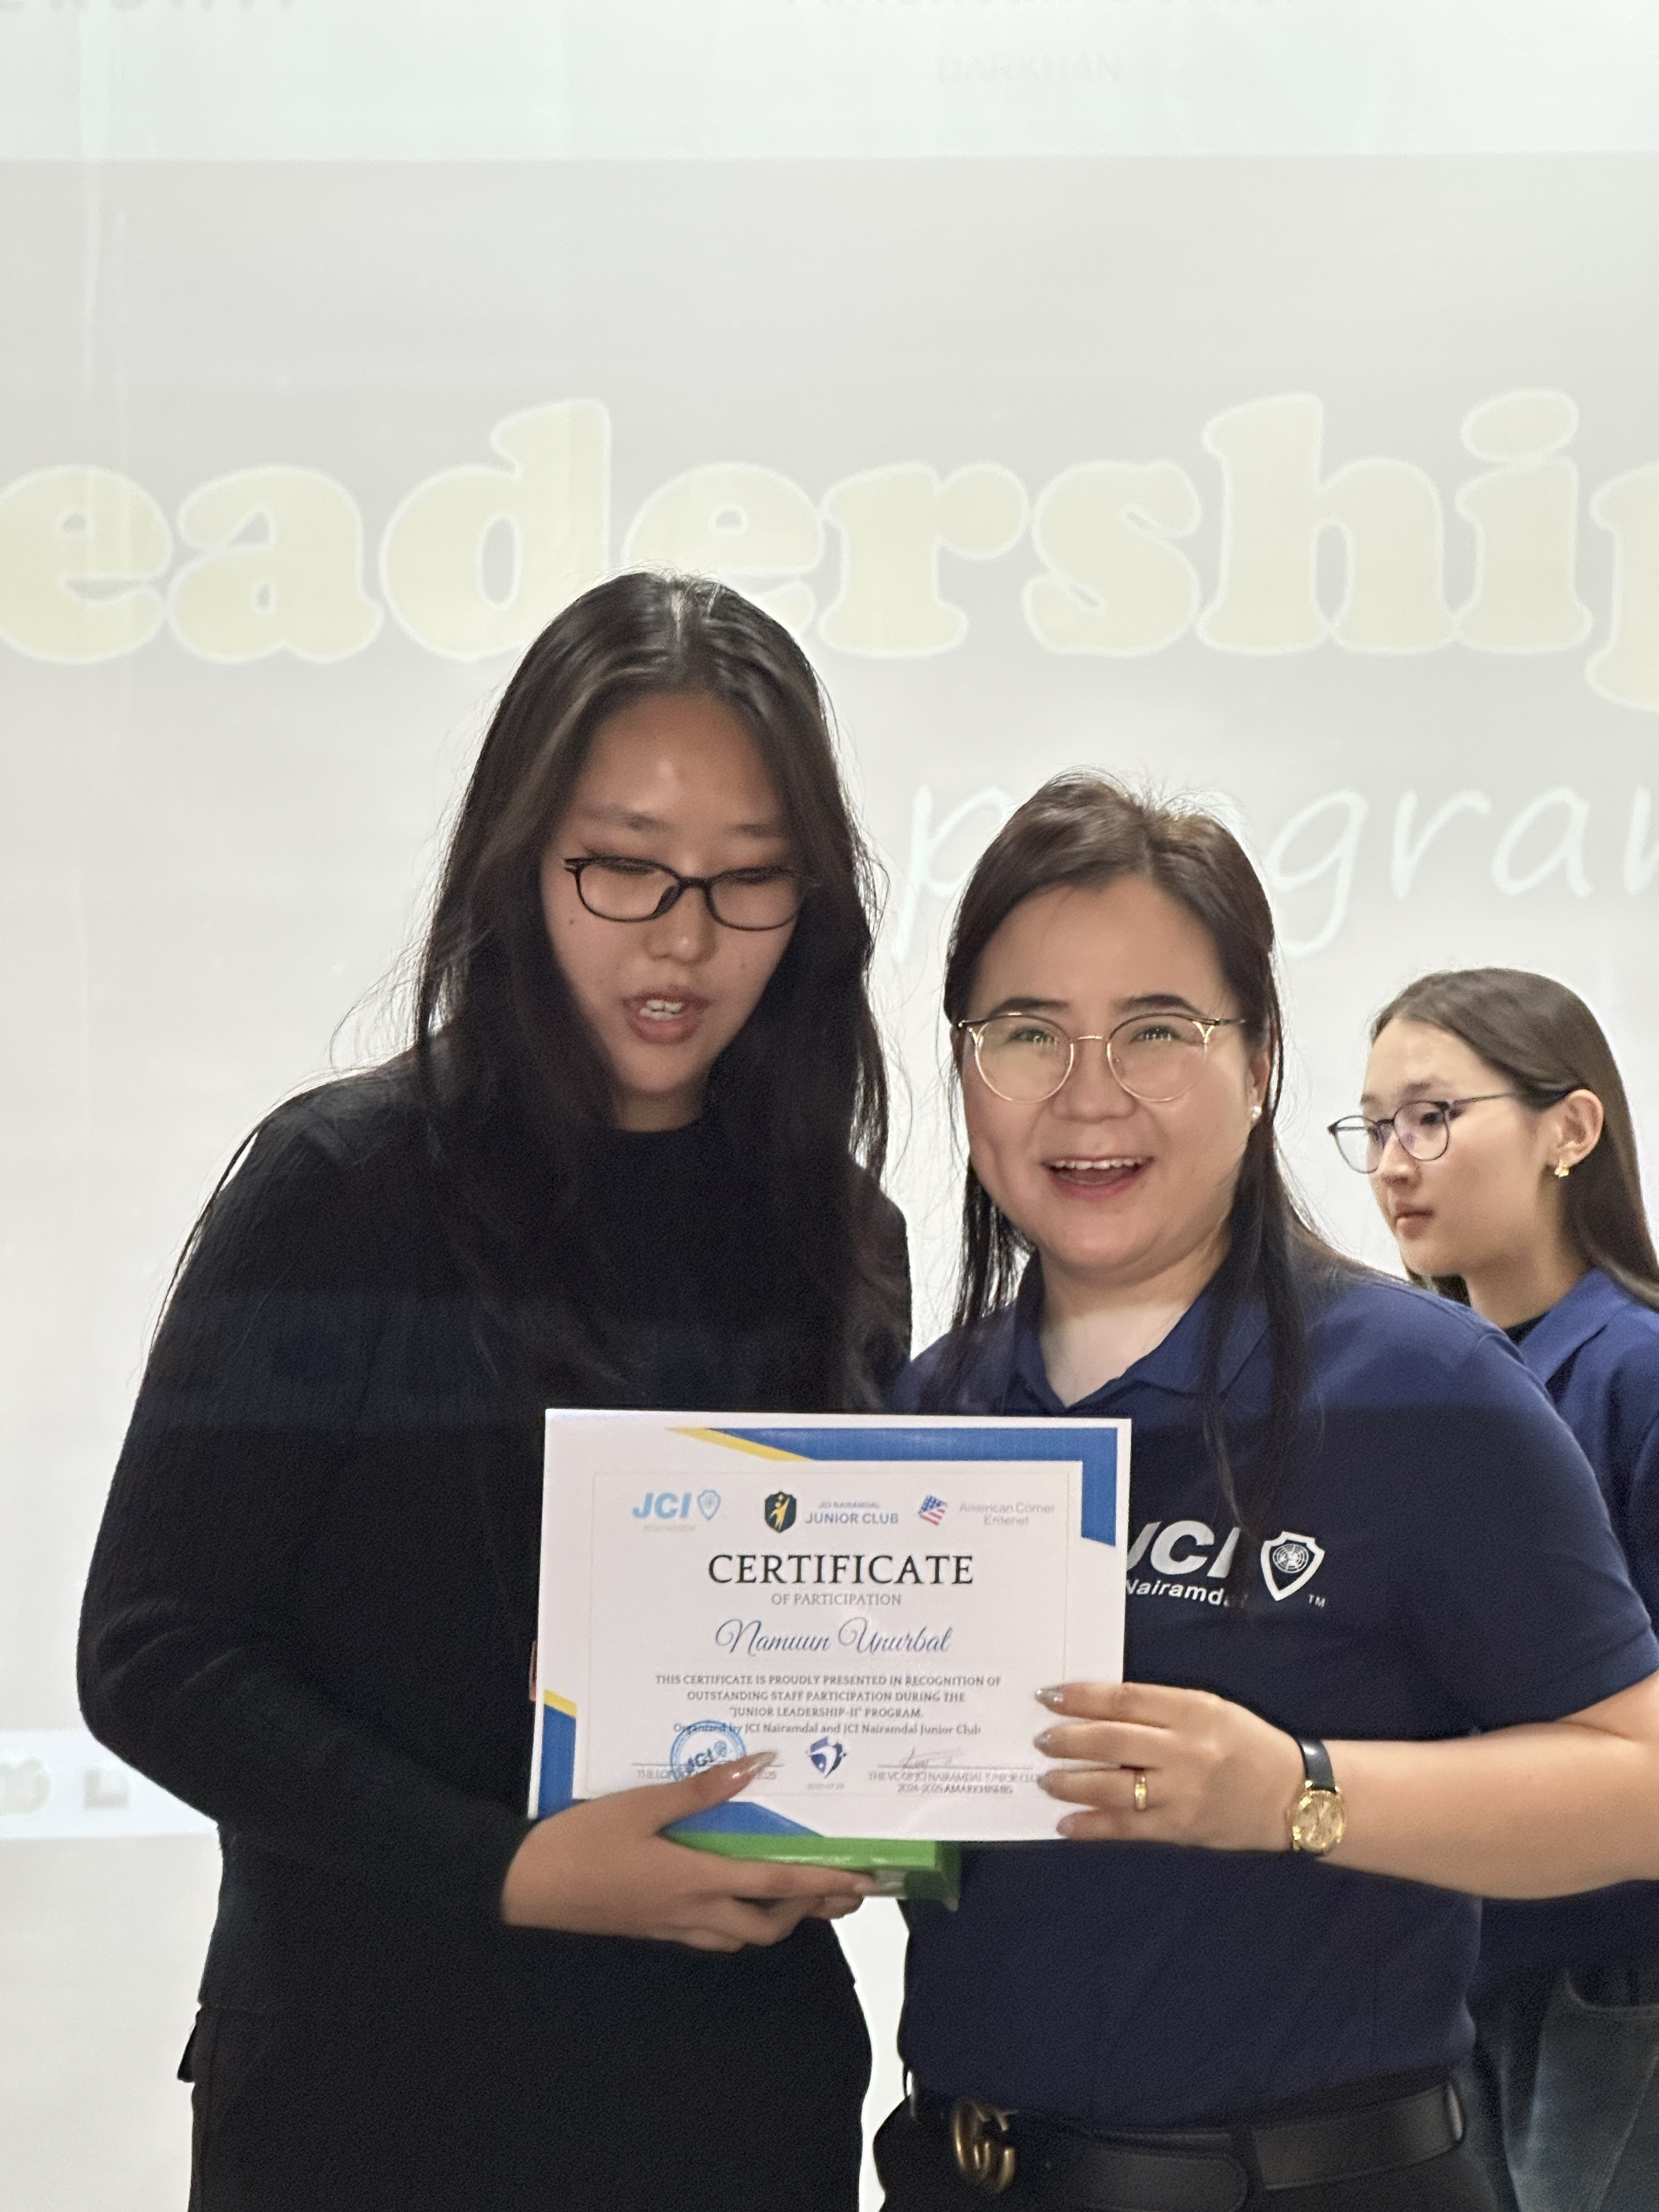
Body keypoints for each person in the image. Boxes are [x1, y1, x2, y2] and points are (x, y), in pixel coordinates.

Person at [78, 573, 911, 2212]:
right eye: (623, 865)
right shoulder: (344, 1188)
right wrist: (514, 1869)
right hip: (376, 2090)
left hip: (733, 2093)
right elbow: (155, 1653)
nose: (684, 936)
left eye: (750, 878)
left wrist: (878, 1792)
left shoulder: (839, 1234)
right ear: (520, 857)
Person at [876, 772, 1659, 2212]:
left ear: (1259, 1065)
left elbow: (1640, 1784)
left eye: (1158, 1031)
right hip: (960, 2172)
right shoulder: (934, 1409)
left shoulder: (1421, 1388)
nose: (1089, 1091)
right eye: (1028, 1032)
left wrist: (1298, 1793)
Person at [1345, 967, 1659, 2212]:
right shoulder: (1421, 1385)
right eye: (1375, 1127)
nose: (1394, 1165)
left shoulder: (1634, 1372)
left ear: (1569, 1130)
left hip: (1611, 1977)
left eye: (1432, 1117)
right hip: (1449, 1970)